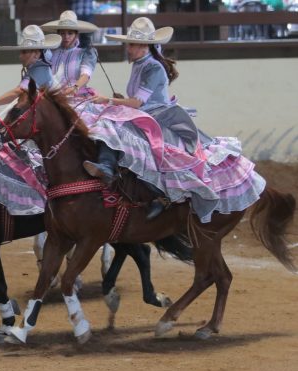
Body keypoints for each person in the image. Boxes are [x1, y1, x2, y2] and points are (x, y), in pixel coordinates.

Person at [80, 17, 265, 222]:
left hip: (157, 117)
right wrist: (120, 101)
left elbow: (139, 102)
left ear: (144, 46)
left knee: (118, 128)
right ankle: (113, 172)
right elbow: (138, 101)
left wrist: (109, 100)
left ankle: (155, 193)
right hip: (144, 114)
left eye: (132, 44)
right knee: (110, 121)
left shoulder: (153, 68)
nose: (128, 49)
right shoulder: (140, 64)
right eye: (129, 44)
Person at [0, 25, 61, 114]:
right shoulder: (37, 65)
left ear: (36, 53)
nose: (20, 56)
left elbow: (19, 91)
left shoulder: (40, 70)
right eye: (20, 52)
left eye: (24, 52)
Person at [41, 10, 99, 97]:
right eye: (62, 33)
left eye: (70, 33)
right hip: (54, 97)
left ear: (76, 35)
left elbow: (85, 75)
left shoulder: (85, 53)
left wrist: (75, 87)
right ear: (58, 34)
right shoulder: (50, 52)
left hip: (78, 97)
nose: (66, 37)